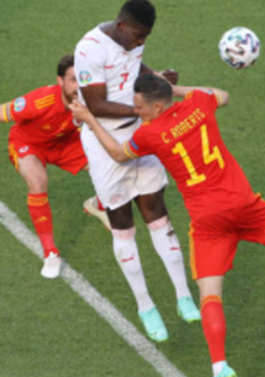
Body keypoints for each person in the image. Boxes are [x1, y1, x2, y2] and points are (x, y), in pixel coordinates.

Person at [69, 74, 265, 377]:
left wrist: (90, 119)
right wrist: (177, 88)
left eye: (140, 106)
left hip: (209, 221)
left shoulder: (150, 134)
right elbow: (222, 94)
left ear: (157, 106)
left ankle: (220, 367)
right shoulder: (198, 104)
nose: (135, 111)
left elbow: (118, 155)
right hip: (244, 203)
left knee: (210, 295)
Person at [74, 0, 199, 342]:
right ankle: (146, 306)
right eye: (138, 36)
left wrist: (155, 80)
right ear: (122, 26)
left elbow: (134, 65)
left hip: (140, 132)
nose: (140, 42)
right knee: (122, 222)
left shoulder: (129, 40)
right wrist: (141, 107)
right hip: (104, 141)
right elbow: (96, 104)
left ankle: (183, 295)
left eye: (146, 38)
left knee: (157, 210)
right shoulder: (90, 49)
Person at [0, 54, 109, 278]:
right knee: (38, 182)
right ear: (60, 81)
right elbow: (3, 112)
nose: (79, 85)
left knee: (109, 166)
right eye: (72, 80)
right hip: (29, 143)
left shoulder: (91, 97)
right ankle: (50, 253)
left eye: (83, 78)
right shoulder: (38, 102)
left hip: (64, 142)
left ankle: (97, 204)